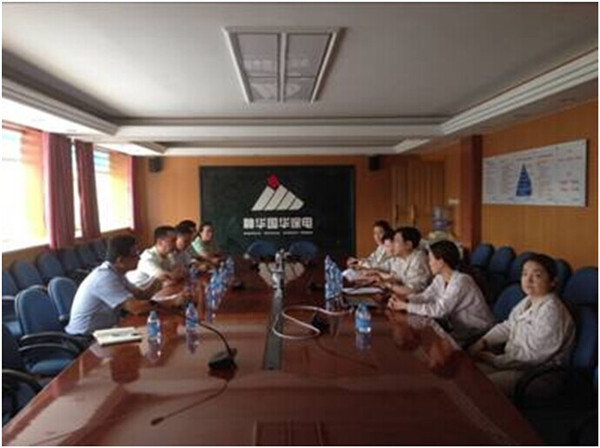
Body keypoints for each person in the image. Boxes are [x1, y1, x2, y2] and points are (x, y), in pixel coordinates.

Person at [468, 253, 575, 396]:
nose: (528, 280)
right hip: (514, 363)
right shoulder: (529, 300)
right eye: (524, 274)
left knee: (478, 387)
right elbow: (508, 326)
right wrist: (483, 341)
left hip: (537, 374)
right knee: (468, 373)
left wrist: (494, 359)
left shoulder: (552, 311)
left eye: (537, 275)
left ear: (553, 281)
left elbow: (532, 356)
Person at [66, 235, 183, 336]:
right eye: (135, 254)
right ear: (120, 260)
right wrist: (172, 301)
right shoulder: (105, 278)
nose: (139, 258)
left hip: (105, 330)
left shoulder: (116, 273)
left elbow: (140, 294)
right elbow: (136, 308)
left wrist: (157, 281)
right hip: (86, 338)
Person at [387, 239, 494, 345]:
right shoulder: (440, 278)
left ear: (441, 262)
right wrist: (406, 299)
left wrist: (406, 306)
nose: (428, 263)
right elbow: (426, 296)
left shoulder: (461, 281)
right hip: (461, 331)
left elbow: (439, 310)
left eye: (430, 260)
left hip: (479, 333)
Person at [369, 227, 431, 295]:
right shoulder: (400, 257)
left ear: (408, 245)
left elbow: (412, 290)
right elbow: (397, 279)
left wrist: (388, 285)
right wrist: (378, 278)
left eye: (396, 241)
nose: (393, 244)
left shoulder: (418, 259)